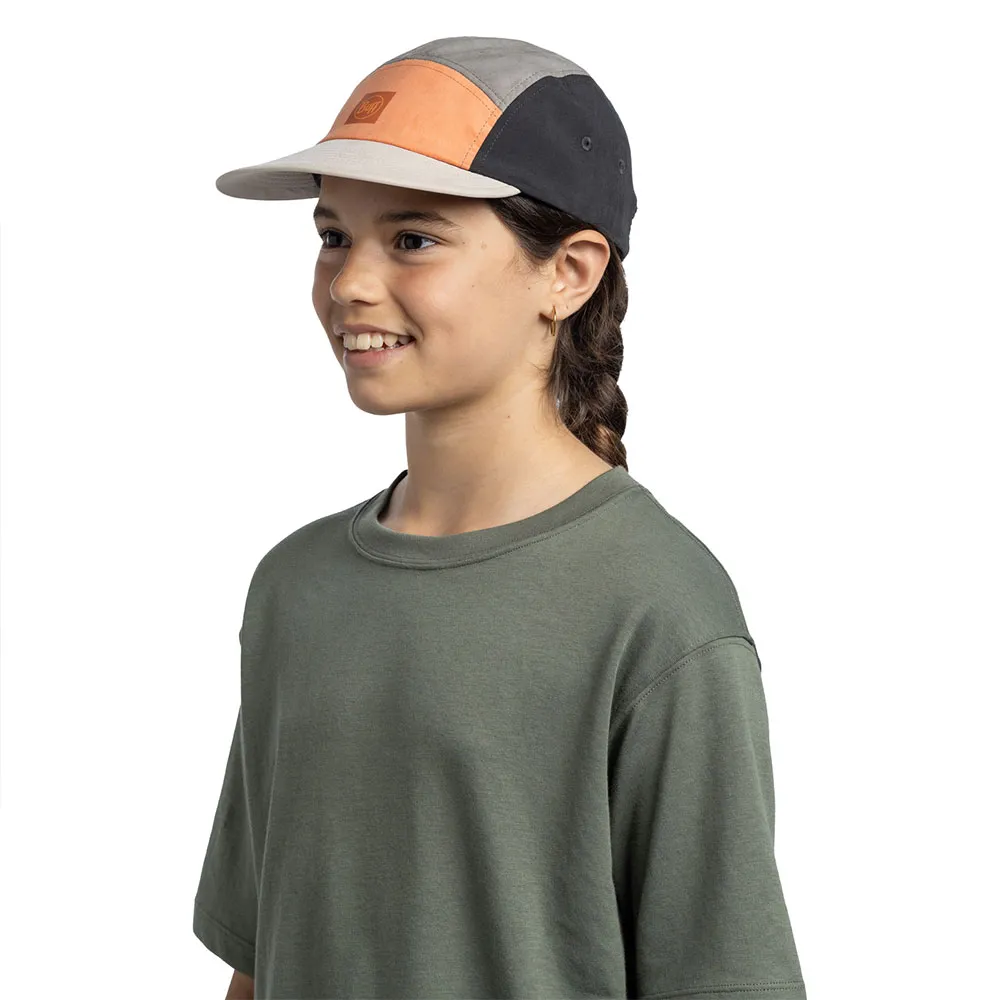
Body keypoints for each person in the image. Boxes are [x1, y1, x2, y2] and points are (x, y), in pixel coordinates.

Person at [192, 35, 808, 1000]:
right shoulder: (295, 587)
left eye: (413, 239)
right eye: (333, 235)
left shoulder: (656, 609)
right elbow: (261, 958)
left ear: (569, 272)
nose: (349, 282)